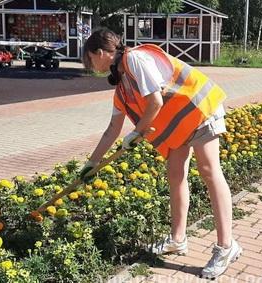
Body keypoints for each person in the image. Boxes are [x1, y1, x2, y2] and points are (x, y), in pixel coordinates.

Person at [80, 29, 242, 279]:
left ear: (99, 53)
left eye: (89, 59)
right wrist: (92, 163)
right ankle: (178, 239)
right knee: (176, 175)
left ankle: (226, 246)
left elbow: (155, 101)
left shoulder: (135, 59)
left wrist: (137, 131)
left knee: (209, 171)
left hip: (200, 111)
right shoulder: (122, 87)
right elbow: (112, 129)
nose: (89, 65)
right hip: (182, 126)